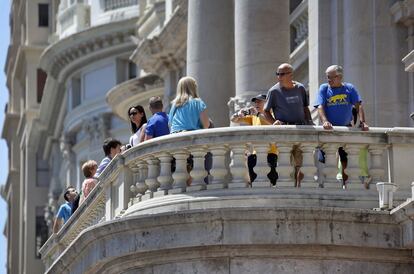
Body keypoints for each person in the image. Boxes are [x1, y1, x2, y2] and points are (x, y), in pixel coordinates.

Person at [314, 65, 370, 189]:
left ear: (339, 77)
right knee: (328, 159)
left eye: (331, 77)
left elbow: (358, 105)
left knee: (345, 160)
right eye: (327, 77)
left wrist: (363, 122)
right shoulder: (324, 88)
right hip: (329, 130)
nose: (328, 80)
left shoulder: (349, 88)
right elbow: (320, 106)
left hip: (345, 128)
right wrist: (325, 121)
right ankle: (330, 186)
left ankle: (345, 186)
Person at [263, 63, 313, 187]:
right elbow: (265, 111)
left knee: (301, 163)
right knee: (286, 163)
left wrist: (310, 122)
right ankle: (289, 187)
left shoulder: (300, 88)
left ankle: (298, 187)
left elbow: (305, 107)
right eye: (277, 74)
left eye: (282, 74)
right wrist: (274, 122)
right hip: (284, 131)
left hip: (301, 129)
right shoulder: (273, 91)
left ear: (291, 74)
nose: (279, 77)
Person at [231, 94, 278, 185]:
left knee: (271, 182)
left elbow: (271, 123)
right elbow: (233, 120)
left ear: (267, 102)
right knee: (255, 182)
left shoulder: (272, 114)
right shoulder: (254, 117)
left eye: (259, 101)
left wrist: (257, 114)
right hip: (255, 154)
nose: (257, 103)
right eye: (255, 102)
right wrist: (239, 113)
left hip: (271, 153)